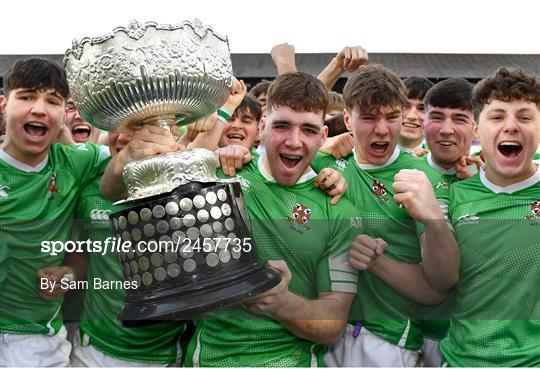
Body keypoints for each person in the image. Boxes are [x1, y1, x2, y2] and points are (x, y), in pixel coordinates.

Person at [182, 72, 362, 366]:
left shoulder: (338, 210)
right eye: (282, 126)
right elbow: (167, 195)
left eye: (308, 130)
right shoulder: (223, 177)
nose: (294, 141)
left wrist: (281, 303)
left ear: (323, 136)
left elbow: (333, 324)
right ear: (263, 127)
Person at [311, 64, 458, 367]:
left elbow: (439, 286)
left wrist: (378, 261)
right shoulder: (321, 160)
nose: (382, 129)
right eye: (368, 118)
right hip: (320, 334)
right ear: (347, 119)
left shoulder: (421, 176)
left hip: (387, 340)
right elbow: (291, 116)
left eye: (391, 117)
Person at [0, 58, 109, 366]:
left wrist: (69, 274)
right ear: (4, 104)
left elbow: (132, 150)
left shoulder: (78, 162)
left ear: (63, 113)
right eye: (27, 96)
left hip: (37, 341)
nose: (39, 108)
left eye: (52, 101)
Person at [438, 67, 540, 367]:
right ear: (476, 130)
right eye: (497, 117)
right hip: (461, 360)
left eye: (524, 117)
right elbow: (437, 283)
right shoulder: (452, 195)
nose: (511, 126)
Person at [68, 131, 187, 367]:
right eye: (115, 126)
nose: (123, 137)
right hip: (90, 351)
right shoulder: (89, 185)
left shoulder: (185, 189)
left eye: (136, 129)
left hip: (159, 355)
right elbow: (83, 255)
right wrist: (68, 276)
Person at [398, 77, 434, 154]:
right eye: (405, 105)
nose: (412, 116)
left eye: (422, 108)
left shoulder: (441, 160)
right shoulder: (369, 155)